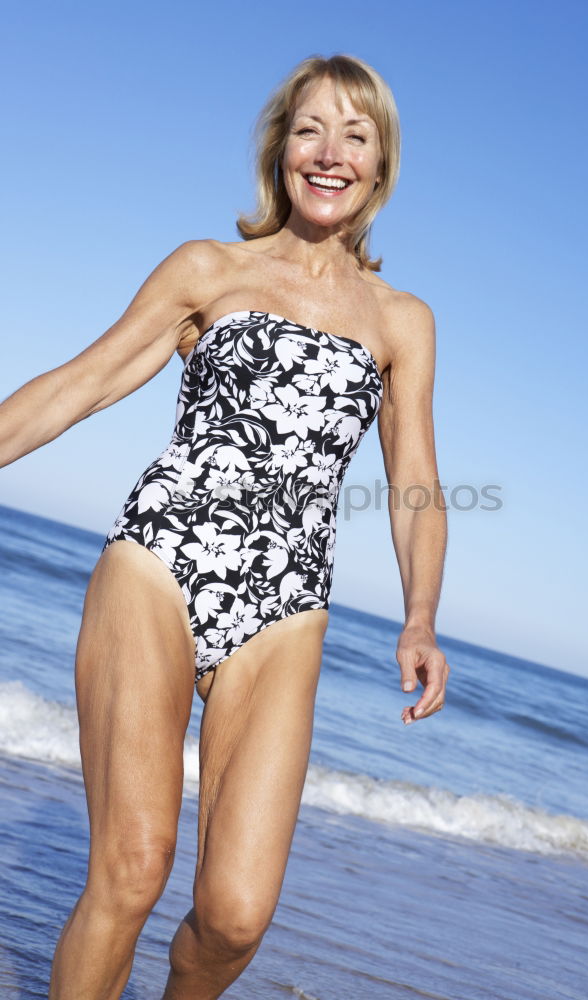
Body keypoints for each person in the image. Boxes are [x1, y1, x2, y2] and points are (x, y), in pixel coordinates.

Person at [0, 52, 450, 1000]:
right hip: (160, 564)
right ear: (280, 149)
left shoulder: (402, 321)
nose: (329, 153)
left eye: (354, 136)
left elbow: (414, 480)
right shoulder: (211, 268)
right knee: (130, 869)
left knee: (236, 918)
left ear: (380, 165)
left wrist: (419, 617)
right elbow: (79, 385)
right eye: (309, 130)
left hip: (287, 608)